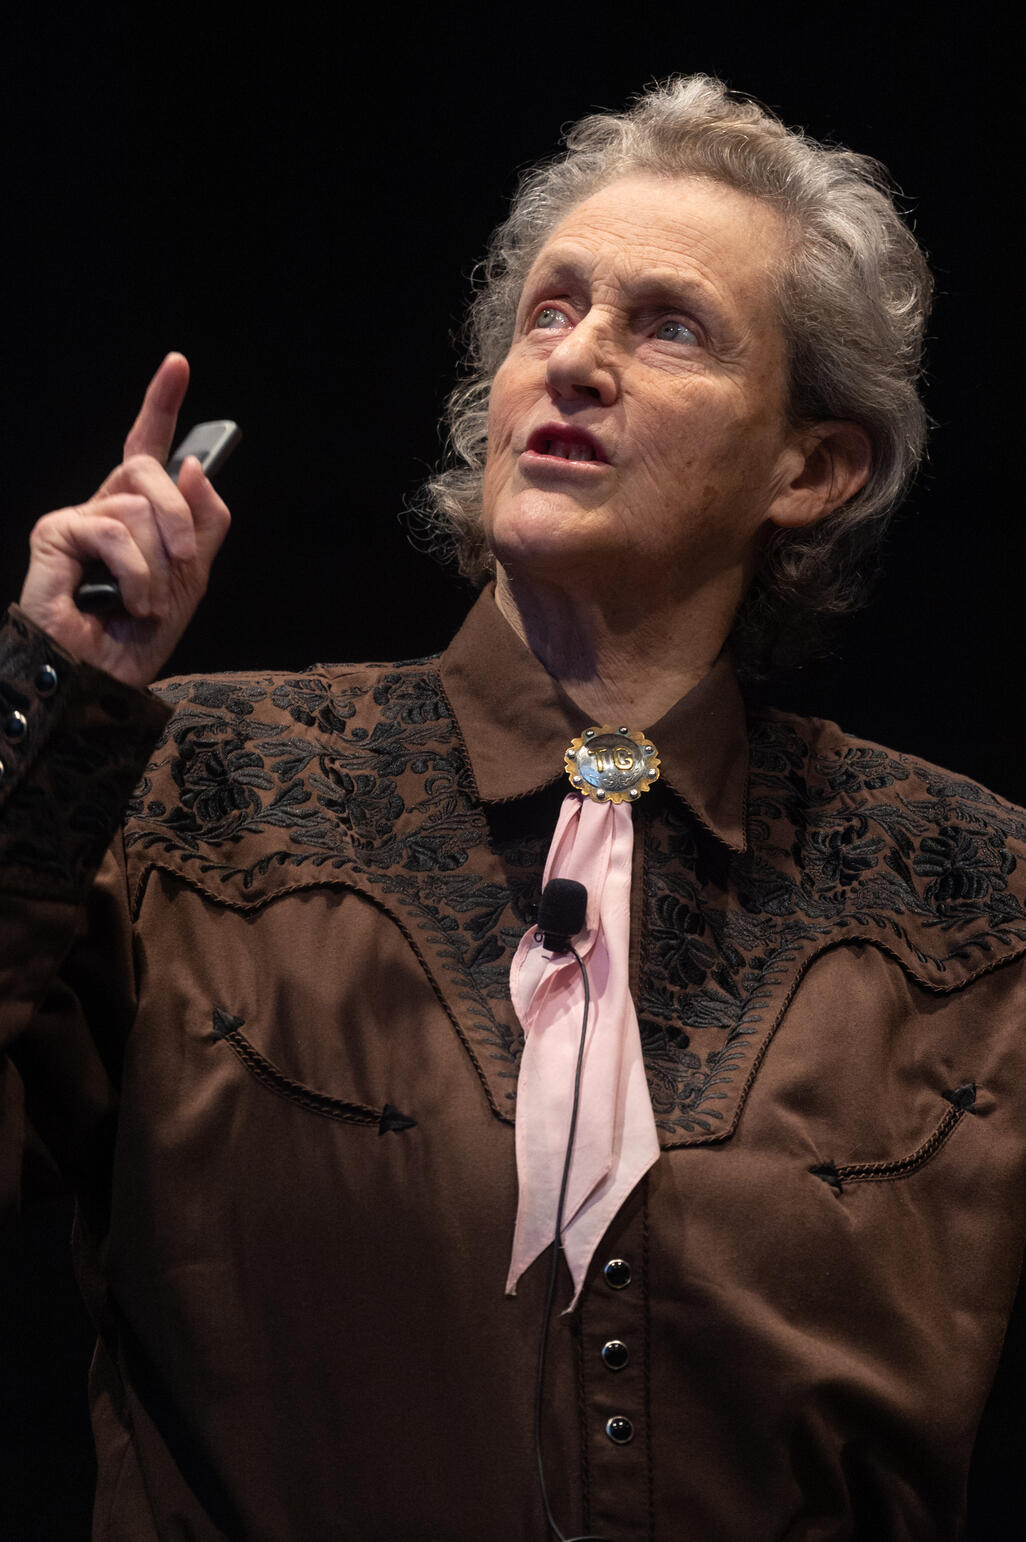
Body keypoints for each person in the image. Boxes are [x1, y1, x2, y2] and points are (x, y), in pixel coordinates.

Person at [2, 74, 1023, 1542]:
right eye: (550, 311)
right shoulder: (183, 793)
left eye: (667, 325)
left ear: (809, 465)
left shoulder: (975, 899)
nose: (578, 359)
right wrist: (49, 707)